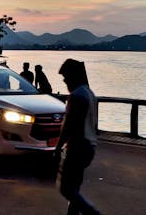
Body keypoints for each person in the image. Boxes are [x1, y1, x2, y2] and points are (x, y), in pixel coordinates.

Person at [56, 59, 101, 215]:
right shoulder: (90, 93)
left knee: (66, 188)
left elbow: (70, 126)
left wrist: (58, 148)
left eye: (66, 77)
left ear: (73, 76)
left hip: (78, 147)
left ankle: (93, 213)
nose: (65, 81)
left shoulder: (77, 96)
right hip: (90, 146)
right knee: (75, 188)